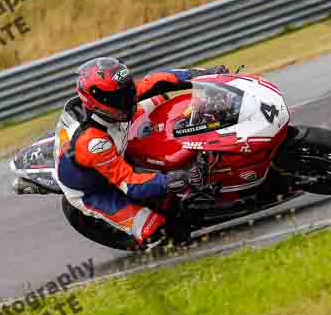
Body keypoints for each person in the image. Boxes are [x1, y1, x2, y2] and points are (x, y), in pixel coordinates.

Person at [53, 57, 228, 248]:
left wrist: (204, 75)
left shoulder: (117, 97)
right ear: (98, 102)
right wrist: (172, 180)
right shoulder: (94, 143)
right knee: (165, 233)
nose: (128, 99)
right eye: (119, 97)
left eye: (127, 91)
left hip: (114, 133)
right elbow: (129, 183)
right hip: (94, 188)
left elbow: (155, 81)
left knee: (160, 100)